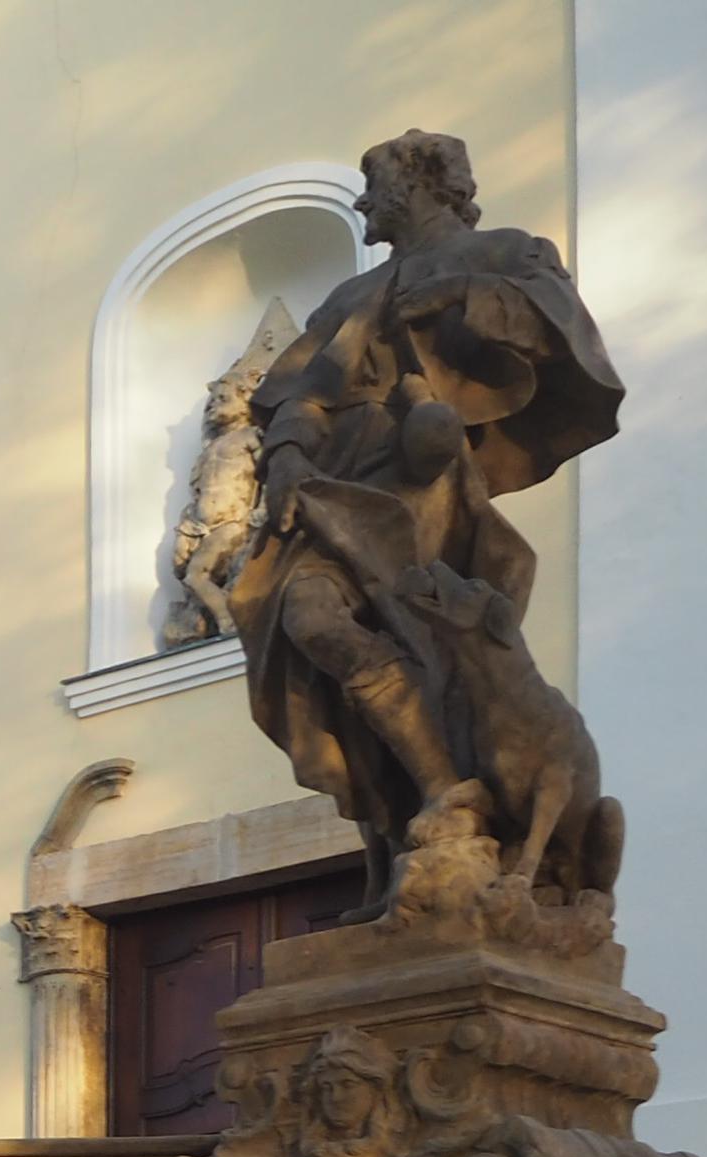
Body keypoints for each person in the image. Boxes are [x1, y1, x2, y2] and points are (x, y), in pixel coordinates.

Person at [233, 131, 624, 919]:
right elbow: (300, 396)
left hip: (426, 485)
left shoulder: (507, 251)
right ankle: (440, 786)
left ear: (423, 184)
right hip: (333, 487)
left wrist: (458, 300)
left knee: (430, 641)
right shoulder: (347, 299)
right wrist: (282, 457)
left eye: (374, 184)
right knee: (306, 617)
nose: (365, 202)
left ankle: (444, 815)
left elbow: (562, 327)